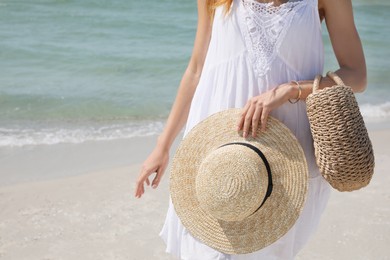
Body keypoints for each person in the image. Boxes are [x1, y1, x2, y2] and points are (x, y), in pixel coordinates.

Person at [135, 0, 367, 259]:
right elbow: (196, 70)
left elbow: (357, 75)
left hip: (286, 153)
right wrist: (162, 146)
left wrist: (290, 89)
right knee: (208, 249)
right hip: (217, 145)